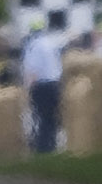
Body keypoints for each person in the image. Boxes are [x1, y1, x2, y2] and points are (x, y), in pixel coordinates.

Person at [20, 21, 68, 155]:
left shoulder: (33, 46)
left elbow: (32, 71)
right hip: (55, 84)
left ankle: (43, 148)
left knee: (41, 118)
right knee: (53, 118)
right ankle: (52, 146)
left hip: (42, 86)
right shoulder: (51, 43)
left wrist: (27, 90)